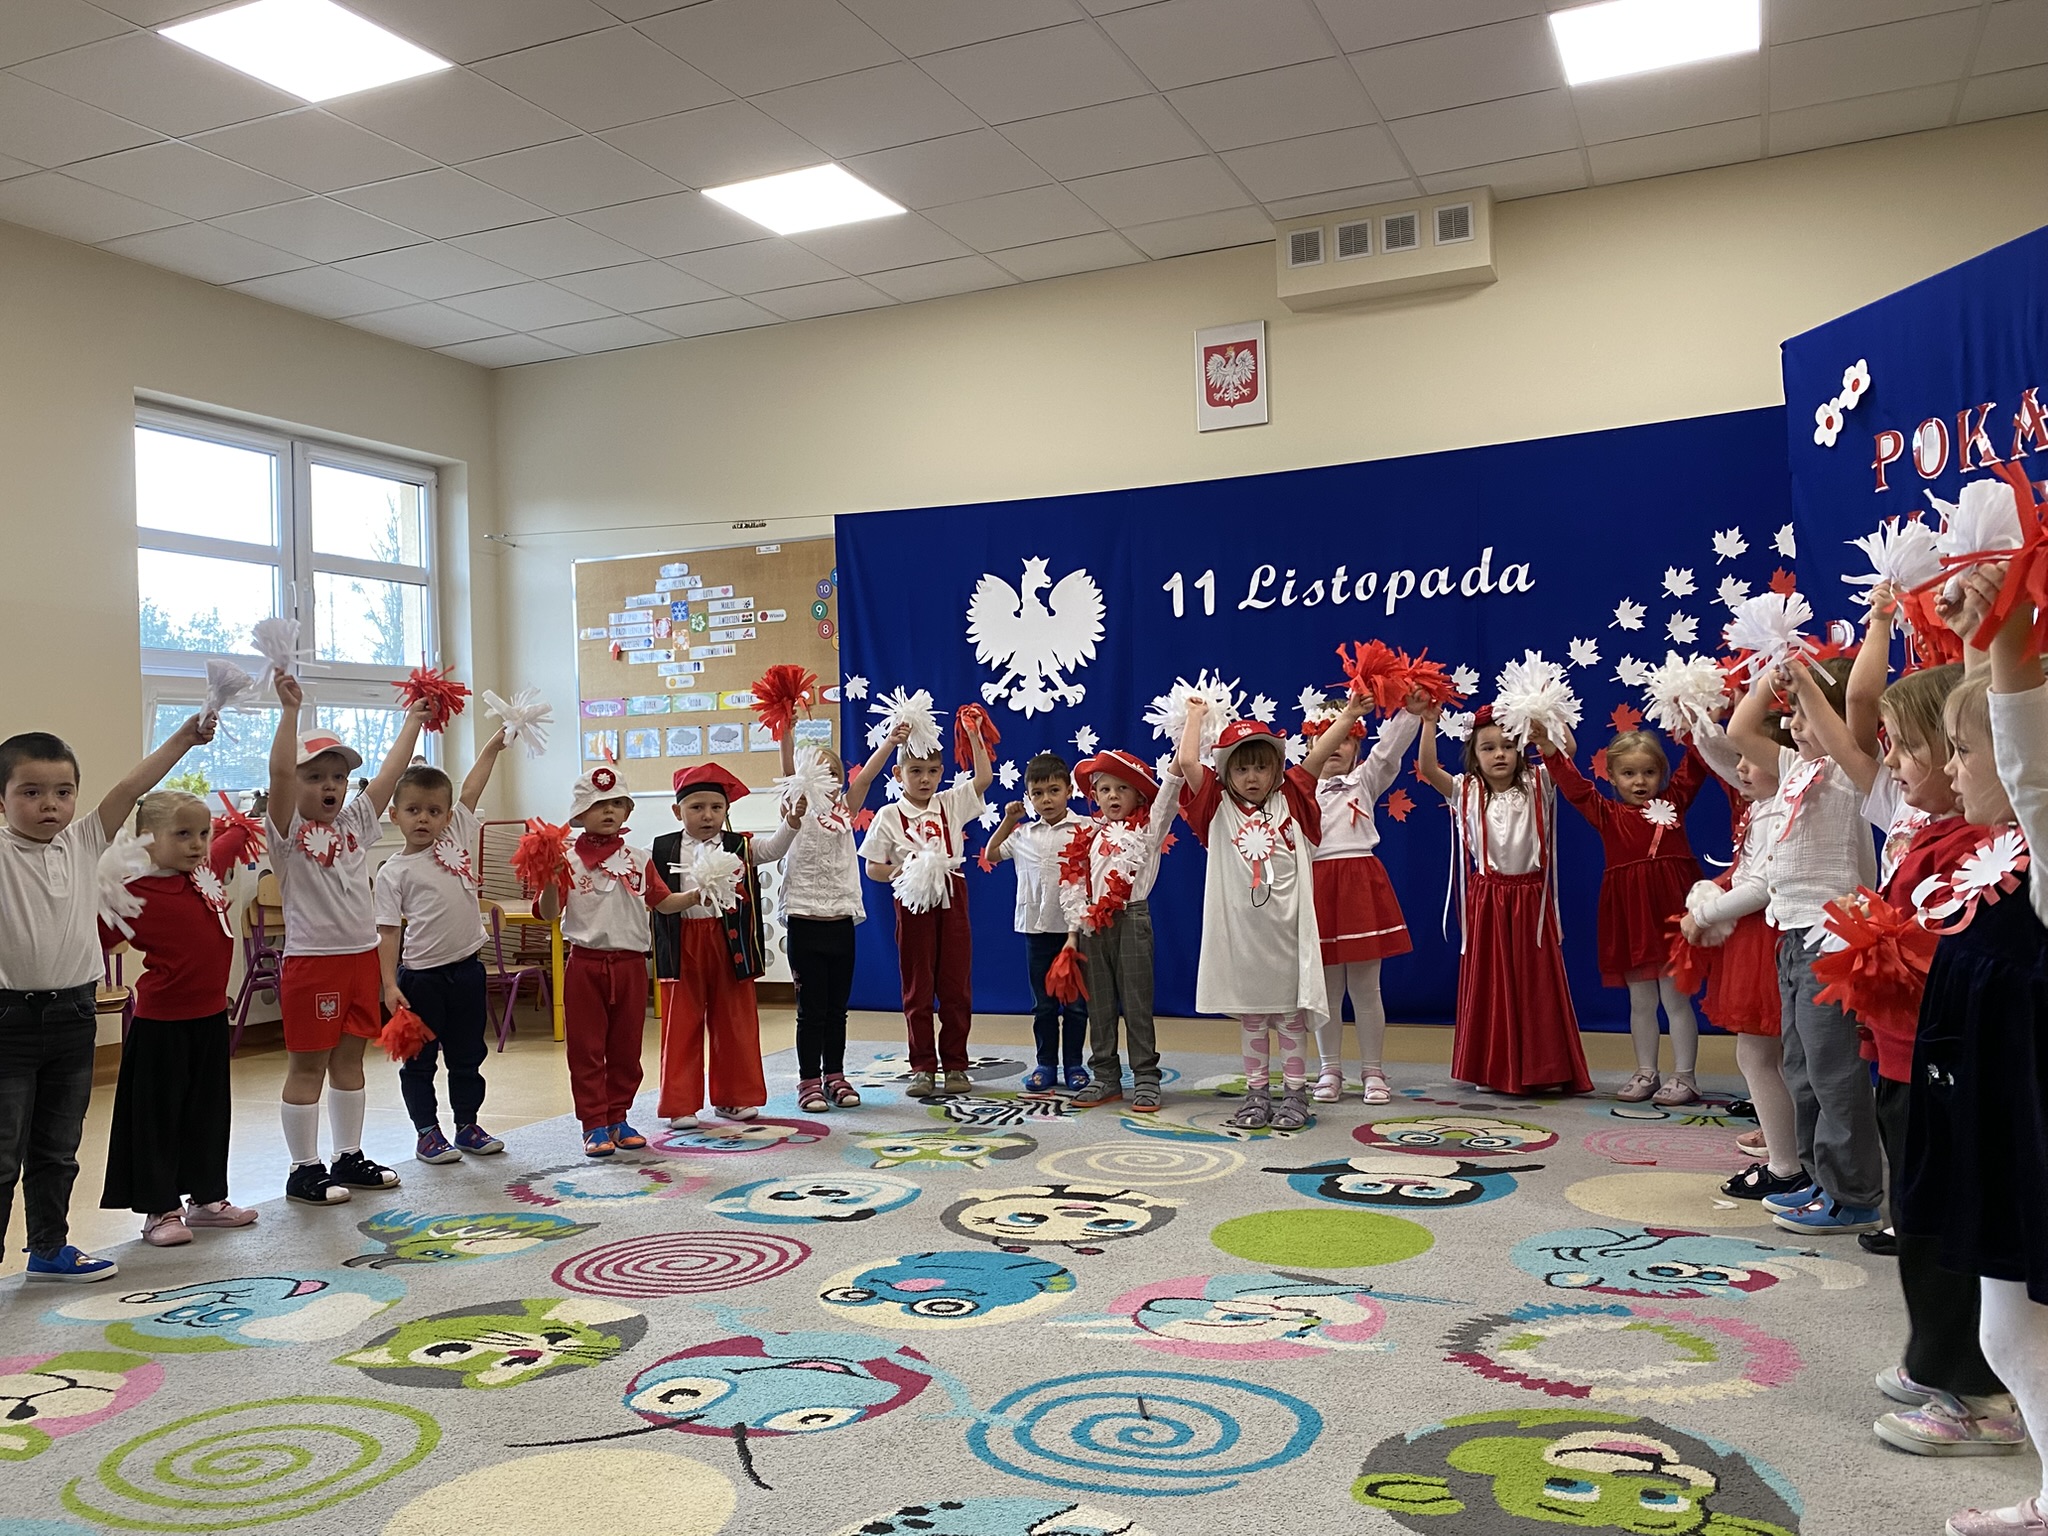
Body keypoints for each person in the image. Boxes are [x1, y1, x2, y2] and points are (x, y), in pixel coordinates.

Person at [1, 716, 214, 1280]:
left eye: (62, 792)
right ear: (2, 800)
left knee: (58, 1147)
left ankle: (49, 1248)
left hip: (74, 1014)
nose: (50, 804)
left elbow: (130, 787)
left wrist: (185, 739)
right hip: (8, 1020)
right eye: (30, 792)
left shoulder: (82, 841)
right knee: (3, 1152)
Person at [1933, 569, 2048, 1533]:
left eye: (1964, 752)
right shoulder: (2004, 851)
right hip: (2006, 1124)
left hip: (2033, 1131)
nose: (1950, 766)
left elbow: (2027, 755)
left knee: (2011, 1331)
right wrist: (1983, 631)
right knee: (2008, 1327)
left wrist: (2009, 635)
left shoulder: (2045, 856)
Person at [1725, 654, 1883, 1235]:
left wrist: (1811, 688)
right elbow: (1740, 730)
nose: (1793, 725)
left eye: (1805, 715)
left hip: (1831, 939)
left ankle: (1854, 1194)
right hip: (1791, 936)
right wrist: (1770, 683)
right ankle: (1820, 1180)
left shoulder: (1849, 767)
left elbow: (1855, 711)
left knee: (1835, 1071)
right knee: (1801, 1068)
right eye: (1790, 715)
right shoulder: (1795, 765)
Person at [267, 679, 427, 1206]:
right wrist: (290, 710)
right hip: (314, 964)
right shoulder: (286, 829)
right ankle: (302, 1168)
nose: (329, 786)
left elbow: (388, 776)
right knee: (308, 1067)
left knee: (350, 1062)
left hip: (360, 958)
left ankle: (348, 1156)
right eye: (315, 777)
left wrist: (413, 720)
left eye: (337, 777)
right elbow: (279, 773)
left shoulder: (356, 821)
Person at [1176, 697, 1350, 1131]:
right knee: (1253, 1018)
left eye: (1260, 767)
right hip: (1243, 941)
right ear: (1225, 772)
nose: (1251, 777)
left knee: (1291, 1018)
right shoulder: (1216, 805)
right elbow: (1188, 762)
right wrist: (1195, 717)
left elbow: (1320, 754)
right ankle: (1256, 1093)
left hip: (1288, 936)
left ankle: (1294, 1093)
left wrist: (1349, 716)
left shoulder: (1293, 795)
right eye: (1241, 769)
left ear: (1276, 769)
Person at [99, 790, 259, 1245]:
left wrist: (241, 823)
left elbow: (233, 838)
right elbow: (90, 933)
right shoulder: (133, 893)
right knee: (159, 1117)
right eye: (183, 834)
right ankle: (160, 1209)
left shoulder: (204, 873)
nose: (197, 844)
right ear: (147, 840)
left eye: (202, 833)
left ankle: (207, 1198)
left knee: (209, 1111)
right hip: (161, 1025)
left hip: (209, 1018)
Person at [1417, 706, 1591, 1096]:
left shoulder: (1538, 781)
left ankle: (1544, 1068)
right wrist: (1429, 722)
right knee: (1491, 984)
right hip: (1489, 899)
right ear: (1474, 755)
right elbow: (1427, 768)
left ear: (1521, 749)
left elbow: (1568, 750)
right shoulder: (1466, 790)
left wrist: (1546, 712)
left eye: (1509, 746)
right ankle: (1493, 1069)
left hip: (1531, 899)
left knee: (1536, 984)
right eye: (1489, 748)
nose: (1500, 754)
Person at [1537, 722, 1708, 1104]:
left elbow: (1696, 764)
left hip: (1672, 919)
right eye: (1629, 773)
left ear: (1662, 774)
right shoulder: (1607, 814)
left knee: (1676, 999)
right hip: (1633, 920)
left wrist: (1700, 723)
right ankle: (1646, 1071)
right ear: (1611, 777)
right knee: (1641, 1001)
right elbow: (1575, 788)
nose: (1639, 781)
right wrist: (1549, 749)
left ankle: (1686, 1076)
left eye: (1649, 772)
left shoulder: (1675, 802)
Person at [536, 764, 692, 1158]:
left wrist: (698, 894)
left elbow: (663, 902)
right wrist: (551, 879)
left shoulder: (639, 858)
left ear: (627, 811)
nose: (608, 811)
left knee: (626, 1049)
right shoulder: (566, 860)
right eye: (598, 804)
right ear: (579, 814)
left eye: (617, 803)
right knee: (586, 1050)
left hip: (631, 966)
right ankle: (593, 1123)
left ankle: (618, 1117)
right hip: (585, 966)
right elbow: (549, 913)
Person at [373, 727, 510, 1167]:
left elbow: (471, 788)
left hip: (467, 971)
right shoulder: (393, 872)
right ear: (394, 815)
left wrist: (491, 746)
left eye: (434, 811)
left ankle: (467, 1125)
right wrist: (389, 985)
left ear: (448, 817)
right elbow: (387, 932)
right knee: (419, 1062)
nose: (423, 819)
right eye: (413, 810)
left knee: (468, 1056)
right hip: (421, 980)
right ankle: (427, 1132)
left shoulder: (454, 840)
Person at [1679, 717, 1792, 1193]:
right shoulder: (1767, 804)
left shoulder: (1775, 809)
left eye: (1749, 757)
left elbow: (1761, 885)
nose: (1739, 767)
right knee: (1770, 1054)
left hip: (1764, 940)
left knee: (1757, 1053)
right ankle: (1785, 1144)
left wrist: (1704, 914)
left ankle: (1786, 1164)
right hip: (1758, 937)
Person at [655, 764, 797, 1128]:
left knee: (735, 1022)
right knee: (681, 1024)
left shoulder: (740, 846)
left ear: (726, 810)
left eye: (716, 807)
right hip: (682, 944)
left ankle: (734, 1098)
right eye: (697, 807)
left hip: (730, 944)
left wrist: (793, 821)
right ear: (677, 811)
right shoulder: (660, 848)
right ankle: (680, 1104)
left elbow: (774, 848)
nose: (707, 815)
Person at [858, 721, 993, 1099]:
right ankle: (922, 1066)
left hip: (952, 893)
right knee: (918, 986)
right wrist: (903, 870)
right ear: (898, 773)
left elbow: (983, 778)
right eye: (915, 771)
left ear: (941, 773)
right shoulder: (888, 815)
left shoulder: (949, 803)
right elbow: (872, 868)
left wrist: (974, 736)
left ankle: (955, 1064)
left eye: (932, 771)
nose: (924, 779)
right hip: (912, 899)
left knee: (955, 985)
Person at [768, 728, 898, 1116]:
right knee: (811, 1011)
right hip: (805, 919)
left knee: (837, 1009)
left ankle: (835, 1075)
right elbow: (787, 769)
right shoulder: (796, 805)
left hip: (840, 920)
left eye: (833, 772)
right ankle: (808, 1080)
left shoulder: (845, 809)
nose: (827, 777)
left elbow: (867, 776)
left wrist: (891, 742)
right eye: (818, 770)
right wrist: (785, 731)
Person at [1304, 690, 1423, 1105]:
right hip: (1317, 888)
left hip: (1360, 885)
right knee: (1326, 990)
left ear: (1357, 745)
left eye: (1345, 738)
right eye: (1325, 737)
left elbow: (1389, 751)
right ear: (1310, 745)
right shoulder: (1298, 787)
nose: (1336, 746)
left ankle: (1373, 1070)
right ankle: (1329, 1069)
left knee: (1366, 987)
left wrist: (1411, 713)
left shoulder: (1365, 780)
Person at [1058, 747, 1183, 1111]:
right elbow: (1076, 887)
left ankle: (1145, 1076)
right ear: (1094, 796)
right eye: (1105, 789)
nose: (1113, 796)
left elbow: (1170, 791)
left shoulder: (1149, 830)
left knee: (1136, 1002)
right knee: (1098, 1004)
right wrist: (1073, 933)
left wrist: (1186, 732)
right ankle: (1105, 1076)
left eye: (1122, 788)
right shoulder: (1089, 836)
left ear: (1139, 796)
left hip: (1131, 919)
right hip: (1092, 925)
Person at [986, 752, 1089, 1096]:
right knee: (1043, 1005)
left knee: (1075, 1005)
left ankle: (1074, 1064)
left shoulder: (1087, 829)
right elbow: (990, 853)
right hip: (1036, 929)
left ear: (1069, 790)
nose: (1047, 799)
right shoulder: (1023, 834)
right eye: (1038, 793)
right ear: (1028, 797)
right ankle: (1045, 1063)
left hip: (1074, 931)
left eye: (1054, 791)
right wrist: (1008, 820)